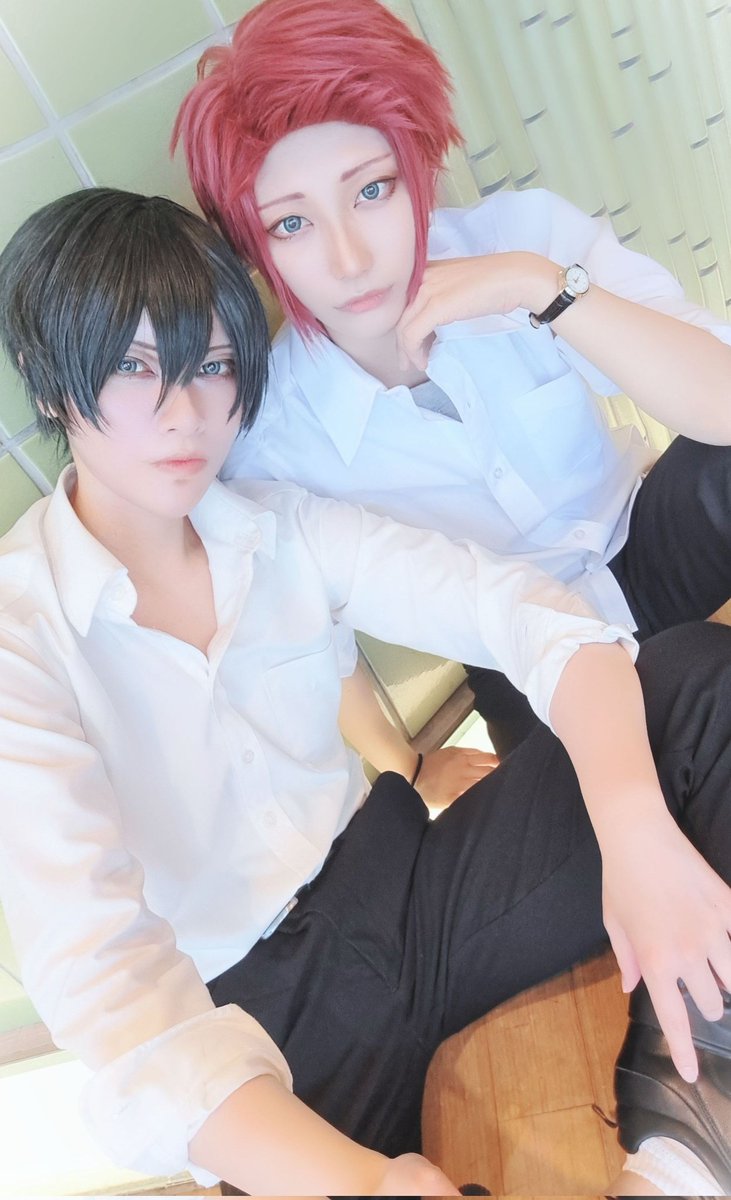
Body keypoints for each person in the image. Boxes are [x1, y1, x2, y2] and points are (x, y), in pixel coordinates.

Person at [0, 188, 730, 1199]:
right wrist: (373, 1183)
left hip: (402, 892)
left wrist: (633, 829)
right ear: (49, 382)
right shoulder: (19, 638)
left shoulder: (280, 524)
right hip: (252, 1027)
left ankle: (683, 1147)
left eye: (211, 364)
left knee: (692, 682)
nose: (184, 412)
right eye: (131, 367)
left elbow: (529, 615)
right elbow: (114, 996)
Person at [173, 0, 731, 791]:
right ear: (255, 252)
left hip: (646, 536)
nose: (349, 258)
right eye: (291, 225)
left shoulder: (519, 240)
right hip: (523, 661)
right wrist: (404, 763)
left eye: (371, 191)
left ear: (418, 167)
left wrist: (537, 286)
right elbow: (309, 632)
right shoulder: (271, 437)